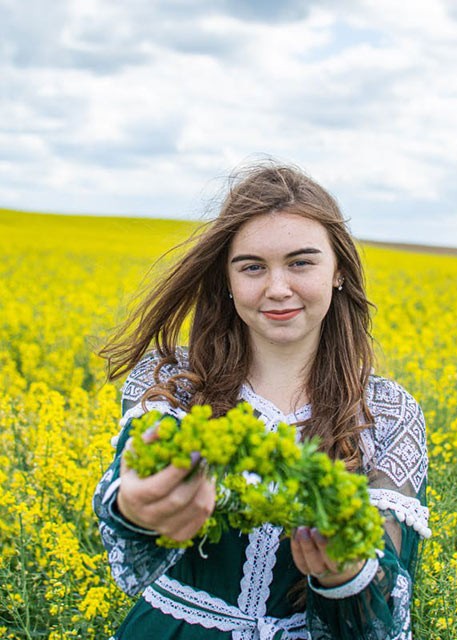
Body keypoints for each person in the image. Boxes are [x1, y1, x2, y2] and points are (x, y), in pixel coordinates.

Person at [93, 163, 430, 640]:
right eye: (252, 267)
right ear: (227, 282)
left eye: (301, 262)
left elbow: (386, 602)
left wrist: (348, 573)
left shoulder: (387, 413)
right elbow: (126, 488)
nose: (277, 288)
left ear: (338, 272)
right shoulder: (173, 381)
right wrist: (136, 508)